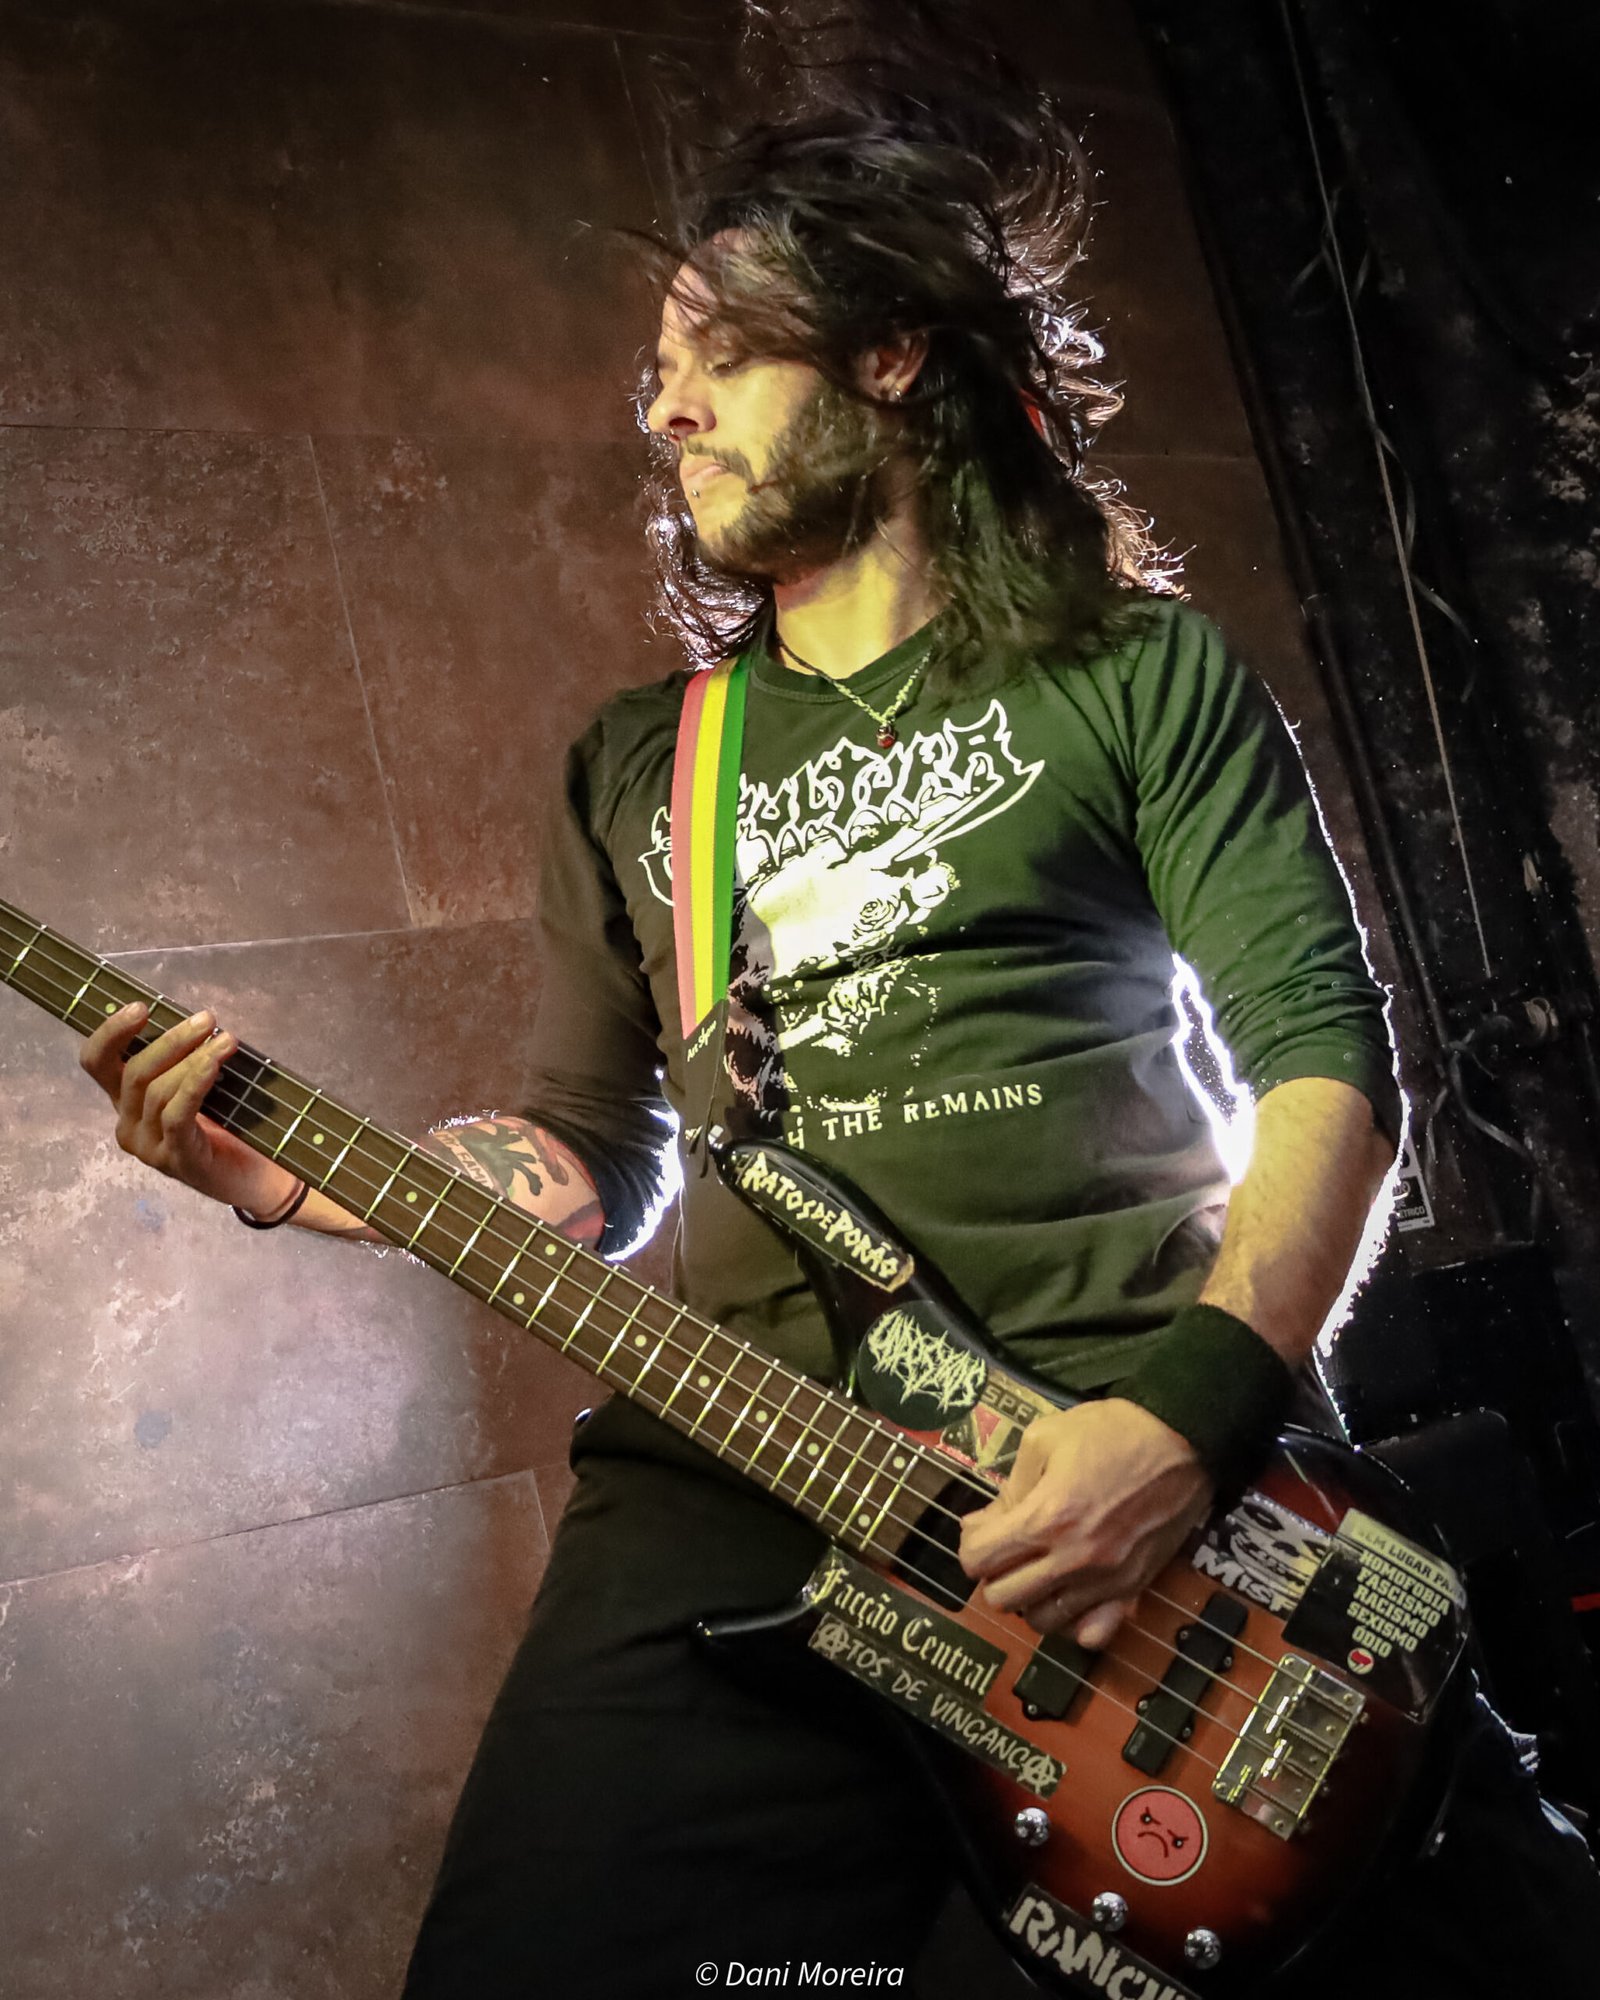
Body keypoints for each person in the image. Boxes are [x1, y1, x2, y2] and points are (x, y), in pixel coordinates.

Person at [76, 6, 1600, 1995]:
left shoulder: (1129, 675)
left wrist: (1189, 1417)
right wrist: (296, 1174)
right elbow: (589, 1159)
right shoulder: (643, 765)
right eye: (659, 376)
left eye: (715, 352)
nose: (664, 410)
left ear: (888, 352)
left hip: (1128, 1447)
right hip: (735, 1475)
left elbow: (1322, 1055)